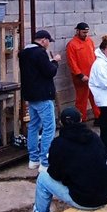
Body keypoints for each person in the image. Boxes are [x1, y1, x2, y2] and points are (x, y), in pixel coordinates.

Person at [23, 107, 107, 212]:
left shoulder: (58, 144)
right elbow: (103, 158)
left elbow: (55, 174)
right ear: (81, 119)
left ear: (61, 123)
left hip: (86, 200)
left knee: (42, 178)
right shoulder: (94, 137)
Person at [19, 29, 61, 169]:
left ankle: (33, 159)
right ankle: (45, 162)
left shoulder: (24, 53)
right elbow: (50, 72)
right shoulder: (40, 53)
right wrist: (55, 62)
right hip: (43, 96)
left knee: (33, 127)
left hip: (31, 96)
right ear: (43, 40)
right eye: (48, 41)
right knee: (49, 128)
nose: (48, 45)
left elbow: (36, 71)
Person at [66, 22, 99, 122]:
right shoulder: (72, 44)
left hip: (92, 75)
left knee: (96, 97)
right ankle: (81, 120)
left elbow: (94, 56)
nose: (86, 34)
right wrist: (80, 75)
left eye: (87, 32)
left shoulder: (90, 41)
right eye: (84, 32)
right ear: (78, 31)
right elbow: (72, 62)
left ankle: (99, 117)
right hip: (81, 78)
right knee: (82, 100)